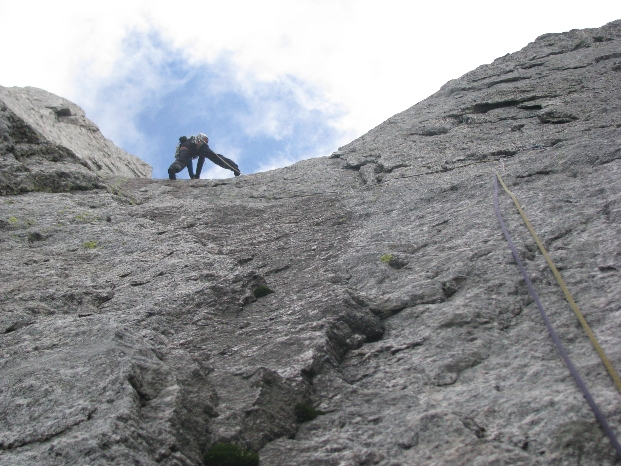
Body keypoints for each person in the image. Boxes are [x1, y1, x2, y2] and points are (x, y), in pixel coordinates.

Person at [167, 133, 241, 180]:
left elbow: (187, 162)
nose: (206, 142)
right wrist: (197, 176)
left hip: (183, 148)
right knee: (215, 157)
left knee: (181, 162)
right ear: (201, 138)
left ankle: (173, 169)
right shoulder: (200, 143)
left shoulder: (187, 142)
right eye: (205, 140)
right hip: (198, 148)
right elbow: (200, 162)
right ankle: (234, 167)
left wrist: (192, 176)